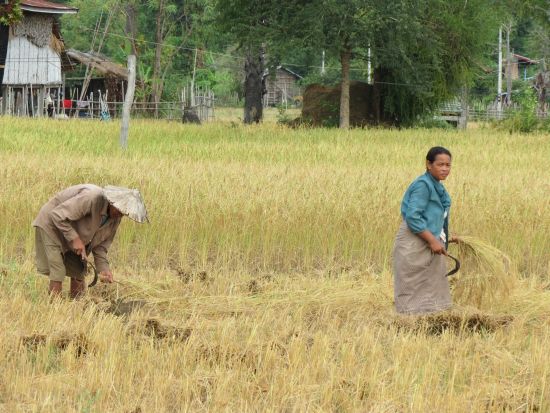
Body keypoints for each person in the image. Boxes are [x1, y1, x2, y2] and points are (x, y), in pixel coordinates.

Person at [32, 184, 148, 298]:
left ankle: (76, 306)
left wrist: (103, 269)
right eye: (120, 209)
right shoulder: (91, 198)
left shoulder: (115, 218)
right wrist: (75, 239)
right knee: (58, 271)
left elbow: (101, 247)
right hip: (51, 226)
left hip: (73, 231)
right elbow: (57, 215)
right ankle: (54, 309)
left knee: (79, 271)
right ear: (113, 201)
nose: (121, 214)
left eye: (125, 212)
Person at [393, 147, 458, 314]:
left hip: (427, 239)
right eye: (440, 164)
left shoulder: (436, 185)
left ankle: (429, 320)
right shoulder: (423, 185)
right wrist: (432, 240)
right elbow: (413, 217)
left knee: (432, 284)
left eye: (448, 165)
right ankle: (409, 324)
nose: (445, 169)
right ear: (428, 165)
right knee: (413, 284)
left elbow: (432, 217)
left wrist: (446, 236)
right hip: (414, 242)